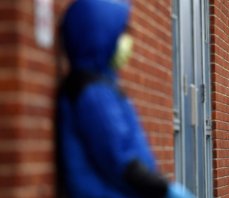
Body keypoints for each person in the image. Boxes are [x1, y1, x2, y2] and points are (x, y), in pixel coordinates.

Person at [56, 0, 194, 197]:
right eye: (123, 33)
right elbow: (119, 159)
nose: (127, 41)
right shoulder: (93, 93)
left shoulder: (100, 87)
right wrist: (164, 190)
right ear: (101, 35)